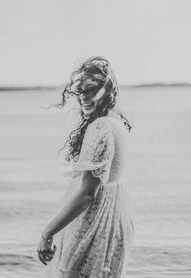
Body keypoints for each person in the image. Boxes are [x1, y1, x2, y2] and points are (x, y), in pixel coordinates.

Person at [37, 56, 135, 277]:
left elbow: (87, 195)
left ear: (106, 91)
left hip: (95, 225)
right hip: (115, 222)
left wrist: (48, 232)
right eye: (79, 91)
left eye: (91, 90)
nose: (83, 97)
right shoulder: (114, 121)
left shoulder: (101, 127)